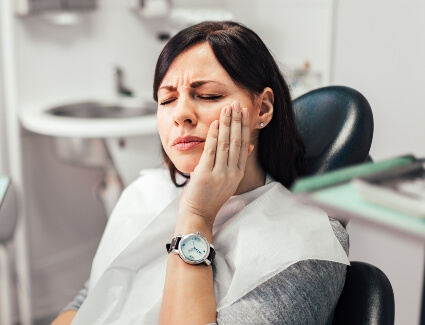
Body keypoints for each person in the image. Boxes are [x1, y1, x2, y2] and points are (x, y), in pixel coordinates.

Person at [51, 21, 349, 325]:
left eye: (208, 96)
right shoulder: (145, 194)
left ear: (263, 108)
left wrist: (196, 217)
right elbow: (91, 299)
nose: (180, 114)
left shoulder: (307, 247)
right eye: (167, 100)